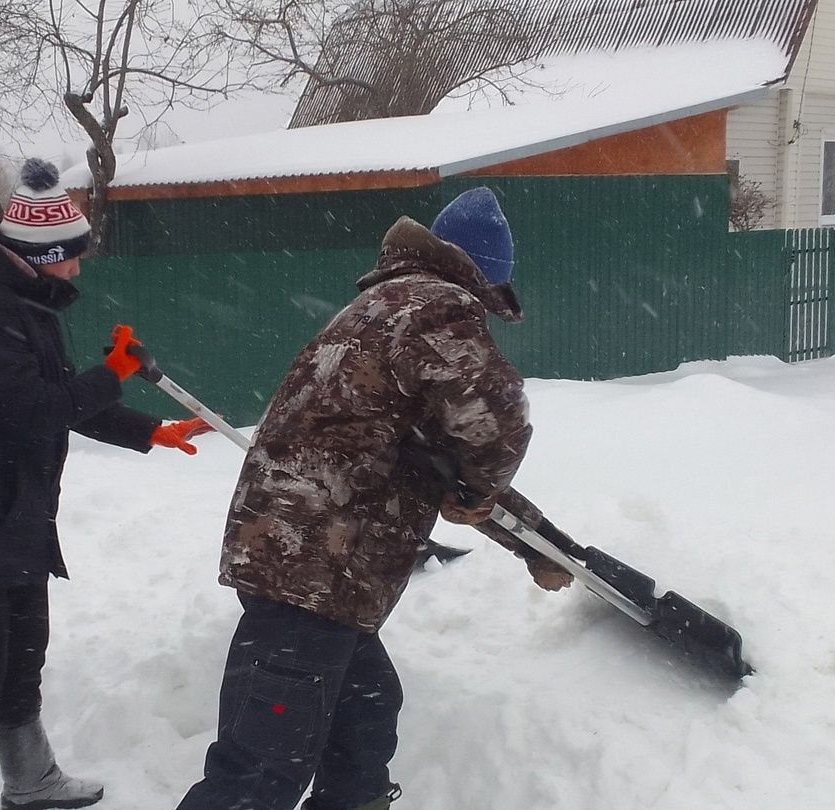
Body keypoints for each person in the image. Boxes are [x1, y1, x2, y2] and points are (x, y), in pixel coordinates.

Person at [175, 187, 572, 810]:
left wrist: (532, 539)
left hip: (298, 555)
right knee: (260, 770)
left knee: (366, 708)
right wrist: (482, 488)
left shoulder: (380, 308)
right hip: (318, 567)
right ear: (484, 277)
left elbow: (430, 456)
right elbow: (494, 421)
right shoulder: (439, 307)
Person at [0, 158, 211, 810]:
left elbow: (61, 399)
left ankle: (31, 778)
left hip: (14, 516)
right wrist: (115, 370)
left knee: (22, 662)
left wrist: (148, 431)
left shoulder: (24, 305)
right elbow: (37, 411)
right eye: (70, 258)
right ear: (39, 253)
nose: (76, 269)